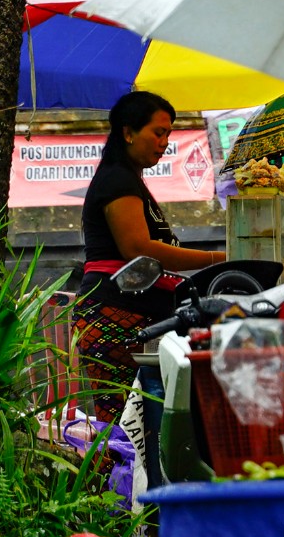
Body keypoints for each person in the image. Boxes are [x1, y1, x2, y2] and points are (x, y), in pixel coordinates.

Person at [75, 90, 224, 417]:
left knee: (141, 423)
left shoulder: (128, 180)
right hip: (115, 313)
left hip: (134, 314)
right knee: (123, 424)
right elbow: (137, 249)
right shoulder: (117, 180)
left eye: (169, 134)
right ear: (128, 133)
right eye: (158, 132)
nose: (165, 142)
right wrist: (219, 260)